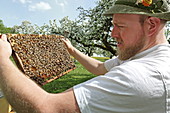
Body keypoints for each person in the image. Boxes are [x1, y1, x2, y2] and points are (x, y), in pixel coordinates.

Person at [0, 0, 170, 112]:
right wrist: (72, 50)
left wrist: (2, 60)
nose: (113, 33)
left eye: (120, 26)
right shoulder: (144, 56)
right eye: (113, 25)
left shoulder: (143, 74)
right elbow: (100, 68)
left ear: (151, 25)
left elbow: (46, 109)